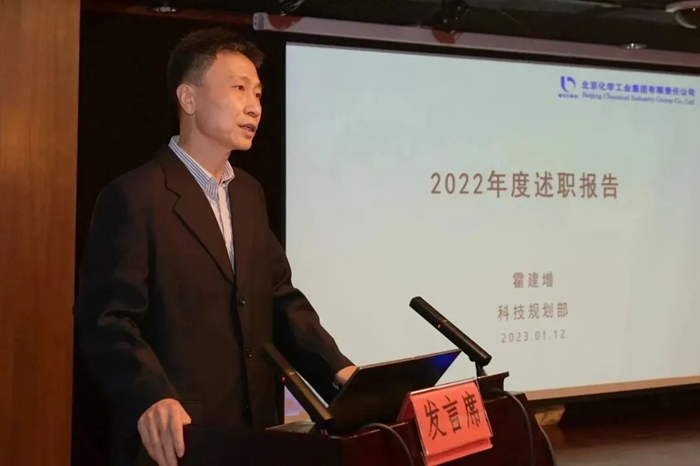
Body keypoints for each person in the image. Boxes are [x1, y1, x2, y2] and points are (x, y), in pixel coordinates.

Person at [73, 28, 356, 466]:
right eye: (239, 89)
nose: (254, 106)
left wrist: (338, 370)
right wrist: (151, 395)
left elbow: (279, 297)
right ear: (188, 99)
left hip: (256, 436)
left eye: (258, 94)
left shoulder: (248, 194)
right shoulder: (135, 196)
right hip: (180, 441)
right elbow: (107, 320)